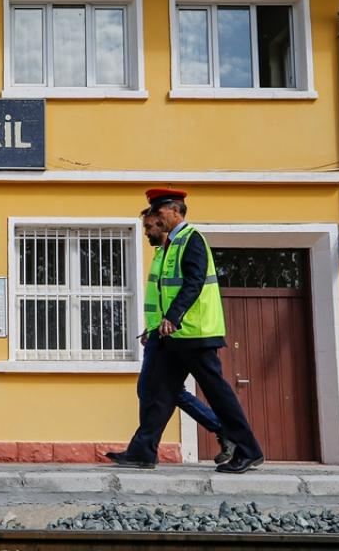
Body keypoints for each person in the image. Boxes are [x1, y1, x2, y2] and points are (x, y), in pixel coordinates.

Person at [107, 188, 264, 473]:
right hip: (173, 336)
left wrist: (174, 316)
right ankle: (143, 451)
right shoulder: (170, 246)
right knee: (157, 392)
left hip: (196, 333)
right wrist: (157, 326)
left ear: (176, 211)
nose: (157, 218)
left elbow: (194, 281)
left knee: (218, 394)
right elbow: (164, 292)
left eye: (160, 212)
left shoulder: (192, 239)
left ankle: (248, 450)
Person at [136, 209, 235, 465]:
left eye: (149, 226)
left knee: (157, 389)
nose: (147, 232)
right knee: (156, 389)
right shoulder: (162, 254)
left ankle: (144, 451)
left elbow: (191, 286)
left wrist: (170, 320)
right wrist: (151, 327)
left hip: (183, 333)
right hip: (161, 333)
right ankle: (143, 450)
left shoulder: (185, 245)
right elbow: (160, 297)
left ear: (162, 222)